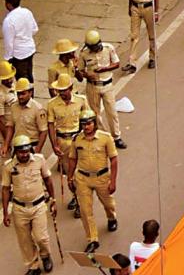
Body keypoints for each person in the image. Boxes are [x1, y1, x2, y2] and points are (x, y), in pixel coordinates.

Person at [1, 135, 56, 275]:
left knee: (41, 237)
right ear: (15, 152)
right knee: (24, 240)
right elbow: (6, 189)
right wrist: (6, 213)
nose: (24, 154)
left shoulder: (39, 160)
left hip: (38, 206)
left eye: (26, 151)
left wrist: (53, 201)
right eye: (21, 152)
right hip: (19, 208)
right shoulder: (8, 167)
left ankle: (45, 256)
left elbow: (48, 180)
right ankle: (33, 265)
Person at [67, 109, 119, 254]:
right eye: (83, 124)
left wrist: (113, 181)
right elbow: (72, 159)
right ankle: (92, 239)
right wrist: (70, 177)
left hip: (102, 177)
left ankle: (111, 217)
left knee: (108, 203)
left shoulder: (105, 138)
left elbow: (113, 160)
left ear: (94, 123)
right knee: (85, 210)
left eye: (89, 123)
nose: (86, 127)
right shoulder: (77, 139)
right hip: (83, 178)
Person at [47, 73, 88, 218]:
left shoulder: (81, 100)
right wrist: (54, 145)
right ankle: (75, 196)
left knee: (78, 172)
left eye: (65, 90)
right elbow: (51, 126)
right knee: (68, 173)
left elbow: (87, 120)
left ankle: (79, 202)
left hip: (77, 139)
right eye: (60, 90)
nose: (62, 93)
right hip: (62, 141)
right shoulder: (52, 104)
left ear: (71, 88)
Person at [76, 30, 125, 149]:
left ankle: (116, 137)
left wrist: (104, 69)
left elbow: (117, 63)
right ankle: (103, 135)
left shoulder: (108, 48)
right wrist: (88, 75)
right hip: (92, 86)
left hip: (107, 85)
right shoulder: (84, 54)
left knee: (112, 112)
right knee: (95, 113)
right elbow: (81, 71)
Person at [122, 0, 159, 74]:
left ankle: (152, 57)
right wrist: (129, 7)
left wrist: (156, 11)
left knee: (151, 35)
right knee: (134, 36)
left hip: (148, 7)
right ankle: (132, 62)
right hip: (136, 7)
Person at [3, 78, 47, 157]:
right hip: (17, 147)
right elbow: (10, 127)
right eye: (18, 94)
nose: (20, 97)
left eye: (23, 94)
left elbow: (43, 132)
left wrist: (37, 151)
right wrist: (6, 145)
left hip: (32, 147)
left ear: (30, 93)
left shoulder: (38, 109)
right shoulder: (13, 107)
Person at [3, 0, 38, 83]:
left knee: (22, 80)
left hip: (19, 54)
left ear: (8, 4)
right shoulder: (27, 12)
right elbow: (35, 29)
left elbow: (8, 42)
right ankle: (31, 95)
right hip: (30, 49)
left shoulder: (9, 20)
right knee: (29, 75)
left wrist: (8, 58)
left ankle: (27, 95)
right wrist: (26, 36)